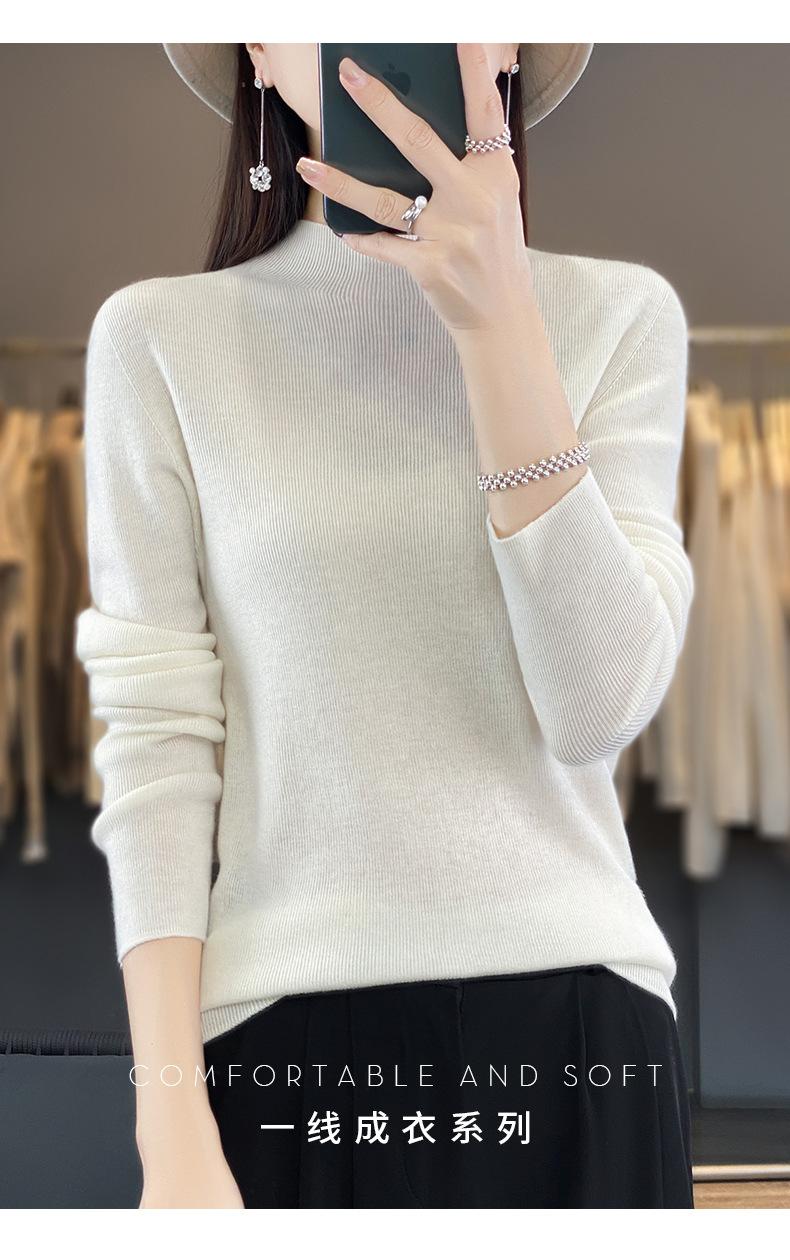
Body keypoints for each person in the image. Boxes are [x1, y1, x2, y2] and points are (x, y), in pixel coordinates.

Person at [75, 41, 696, 1208]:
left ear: (508, 44)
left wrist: (497, 324)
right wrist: (169, 1126)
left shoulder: (617, 317)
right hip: (282, 1043)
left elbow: (596, 708)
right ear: (257, 50)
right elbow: (159, 750)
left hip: (580, 1034)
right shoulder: (160, 339)